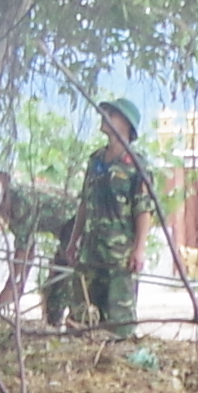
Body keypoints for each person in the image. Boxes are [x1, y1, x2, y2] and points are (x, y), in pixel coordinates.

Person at [50, 98, 155, 337]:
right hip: (90, 251)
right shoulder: (96, 160)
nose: (105, 116)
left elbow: (143, 209)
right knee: (82, 313)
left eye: (112, 114)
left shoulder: (137, 165)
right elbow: (85, 204)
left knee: (119, 319)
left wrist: (139, 249)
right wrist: (74, 240)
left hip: (119, 254)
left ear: (126, 124)